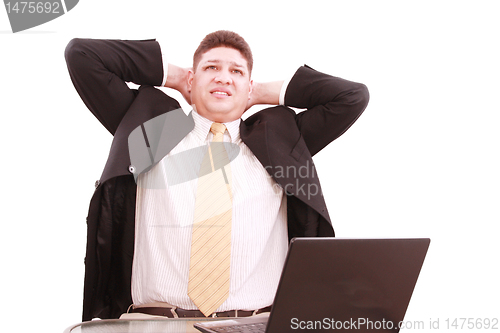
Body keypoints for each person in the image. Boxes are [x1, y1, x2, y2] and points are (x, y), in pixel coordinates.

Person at [64, 30, 369, 321]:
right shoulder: (153, 130)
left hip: (255, 325)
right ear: (192, 78)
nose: (223, 76)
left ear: (249, 85)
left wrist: (261, 91)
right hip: (153, 324)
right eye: (211, 67)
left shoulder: (279, 140)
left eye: (236, 72)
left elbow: (352, 97)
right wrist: (173, 77)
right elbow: (82, 55)